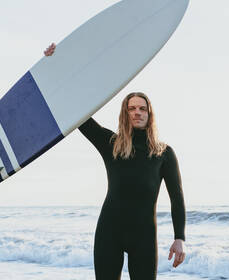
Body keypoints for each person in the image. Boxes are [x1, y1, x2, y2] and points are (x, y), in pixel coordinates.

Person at [44, 44, 186, 280]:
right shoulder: (111, 144)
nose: (137, 112)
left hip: (144, 236)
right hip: (109, 232)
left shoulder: (164, 153)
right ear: (125, 113)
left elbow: (177, 197)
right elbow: (78, 111)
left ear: (149, 114)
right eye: (131, 108)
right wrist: (55, 64)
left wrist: (179, 237)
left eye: (142, 108)